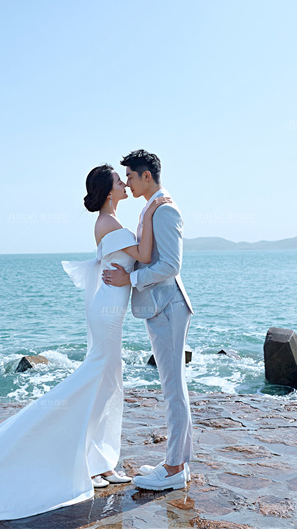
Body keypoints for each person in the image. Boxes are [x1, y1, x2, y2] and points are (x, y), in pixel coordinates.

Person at [0, 163, 171, 521]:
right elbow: (146, 257)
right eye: (120, 181)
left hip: (108, 308)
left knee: (106, 384)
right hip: (106, 311)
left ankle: (98, 463)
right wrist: (151, 209)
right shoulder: (108, 223)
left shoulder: (112, 222)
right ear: (108, 192)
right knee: (96, 381)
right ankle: (86, 461)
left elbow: (134, 259)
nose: (124, 184)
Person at [102, 149, 194, 491]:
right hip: (161, 307)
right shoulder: (152, 206)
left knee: (173, 389)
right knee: (173, 387)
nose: (127, 182)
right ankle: (176, 462)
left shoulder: (165, 209)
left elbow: (170, 265)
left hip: (168, 306)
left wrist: (130, 279)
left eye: (129, 176)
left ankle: (173, 469)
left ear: (146, 175)